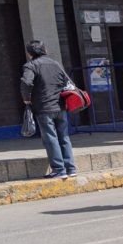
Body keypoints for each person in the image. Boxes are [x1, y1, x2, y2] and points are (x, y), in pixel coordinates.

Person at [21, 41, 76, 179]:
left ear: (29, 53)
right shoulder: (55, 64)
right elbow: (68, 82)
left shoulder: (30, 65)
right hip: (60, 106)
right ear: (44, 49)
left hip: (44, 108)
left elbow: (26, 82)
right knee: (64, 137)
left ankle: (59, 169)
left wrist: (26, 99)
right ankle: (70, 168)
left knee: (50, 138)